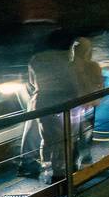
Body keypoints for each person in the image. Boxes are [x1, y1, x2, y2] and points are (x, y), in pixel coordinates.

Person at [28, 29, 78, 181]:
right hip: (67, 101)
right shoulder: (69, 57)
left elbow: (31, 82)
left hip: (43, 100)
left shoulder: (35, 59)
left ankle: (47, 166)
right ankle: (62, 171)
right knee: (66, 137)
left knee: (48, 136)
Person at [70, 37, 104, 165]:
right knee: (85, 130)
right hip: (89, 103)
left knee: (75, 132)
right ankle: (85, 155)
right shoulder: (93, 65)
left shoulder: (69, 65)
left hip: (73, 104)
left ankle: (74, 159)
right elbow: (99, 84)